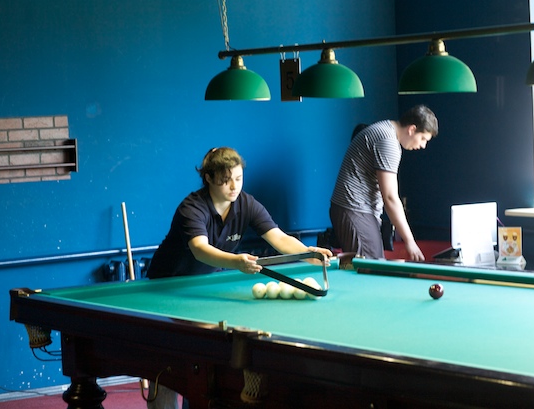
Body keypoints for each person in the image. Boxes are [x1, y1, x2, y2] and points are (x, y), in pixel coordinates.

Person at [145, 146, 333, 409]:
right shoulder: (192, 207)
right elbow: (200, 250)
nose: (234, 186)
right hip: (167, 289)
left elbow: (278, 237)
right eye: (226, 180)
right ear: (208, 178)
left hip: (206, 288)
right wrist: (236, 261)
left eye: (238, 178)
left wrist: (308, 254)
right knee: (168, 369)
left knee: (202, 365)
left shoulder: (246, 204)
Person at [329, 105, 438, 262]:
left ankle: (341, 269)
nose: (423, 145)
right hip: (355, 209)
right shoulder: (388, 141)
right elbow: (390, 198)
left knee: (353, 264)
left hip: (351, 209)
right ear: (412, 129)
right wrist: (410, 241)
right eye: (423, 139)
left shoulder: (385, 129)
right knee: (369, 267)